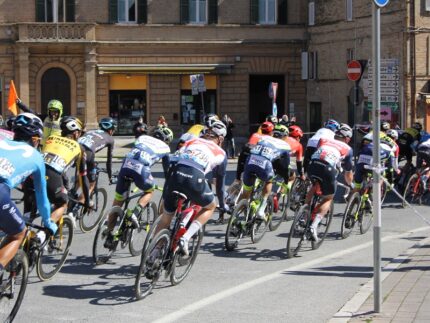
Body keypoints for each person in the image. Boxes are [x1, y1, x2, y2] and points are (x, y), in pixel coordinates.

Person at [154, 120, 227, 256]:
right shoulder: (221, 152)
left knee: (166, 218)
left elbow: (174, 160)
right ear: (221, 138)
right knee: (211, 206)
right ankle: (186, 238)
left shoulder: (191, 141)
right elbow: (220, 184)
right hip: (195, 178)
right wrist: (222, 204)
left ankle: (154, 253)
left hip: (175, 176)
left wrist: (166, 191)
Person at [0, 113, 57, 274]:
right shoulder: (37, 157)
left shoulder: (2, 141)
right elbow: (41, 196)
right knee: (19, 233)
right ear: (34, 138)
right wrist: (47, 221)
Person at [104, 126, 173, 248]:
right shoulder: (165, 147)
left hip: (125, 166)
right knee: (149, 191)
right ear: (166, 140)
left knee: (118, 200)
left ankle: (109, 233)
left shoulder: (142, 137)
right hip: (141, 168)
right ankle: (135, 213)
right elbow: (167, 171)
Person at [305, 123, 353, 241]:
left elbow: (322, 153)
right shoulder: (348, 149)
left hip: (312, 165)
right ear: (347, 139)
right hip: (327, 169)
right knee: (328, 197)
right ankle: (314, 225)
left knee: (315, 185)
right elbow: (348, 173)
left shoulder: (324, 140)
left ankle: (304, 213)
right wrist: (350, 184)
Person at [42, 116, 90, 224]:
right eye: (80, 133)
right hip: (52, 177)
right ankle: (41, 235)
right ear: (75, 133)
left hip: (33, 174)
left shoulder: (51, 138)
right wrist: (86, 201)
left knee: (28, 211)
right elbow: (83, 177)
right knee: (63, 203)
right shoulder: (79, 148)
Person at [240, 123, 291, 219]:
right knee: (269, 181)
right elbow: (284, 166)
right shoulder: (285, 145)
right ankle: (261, 210)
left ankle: (236, 214)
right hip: (264, 164)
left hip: (250, 161)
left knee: (246, 192)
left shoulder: (264, 138)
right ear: (285, 136)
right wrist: (286, 179)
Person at [78, 117, 116, 200]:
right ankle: (75, 209)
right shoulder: (110, 139)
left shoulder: (91, 131)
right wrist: (110, 176)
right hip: (87, 153)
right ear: (111, 130)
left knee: (80, 176)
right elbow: (109, 160)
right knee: (91, 184)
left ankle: (72, 192)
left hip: (75, 149)